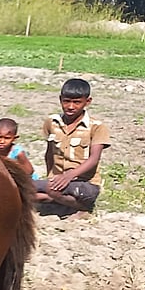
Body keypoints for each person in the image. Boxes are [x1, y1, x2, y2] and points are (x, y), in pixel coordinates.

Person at [35, 78, 110, 214]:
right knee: (22, 189)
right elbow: (49, 153)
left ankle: (83, 208)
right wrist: (51, 176)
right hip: (57, 181)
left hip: (85, 183)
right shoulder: (52, 122)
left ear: (87, 102)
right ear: (60, 99)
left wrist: (69, 175)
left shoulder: (96, 127)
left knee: (52, 190)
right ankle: (58, 200)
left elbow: (94, 159)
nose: (70, 106)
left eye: (77, 102)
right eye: (66, 101)